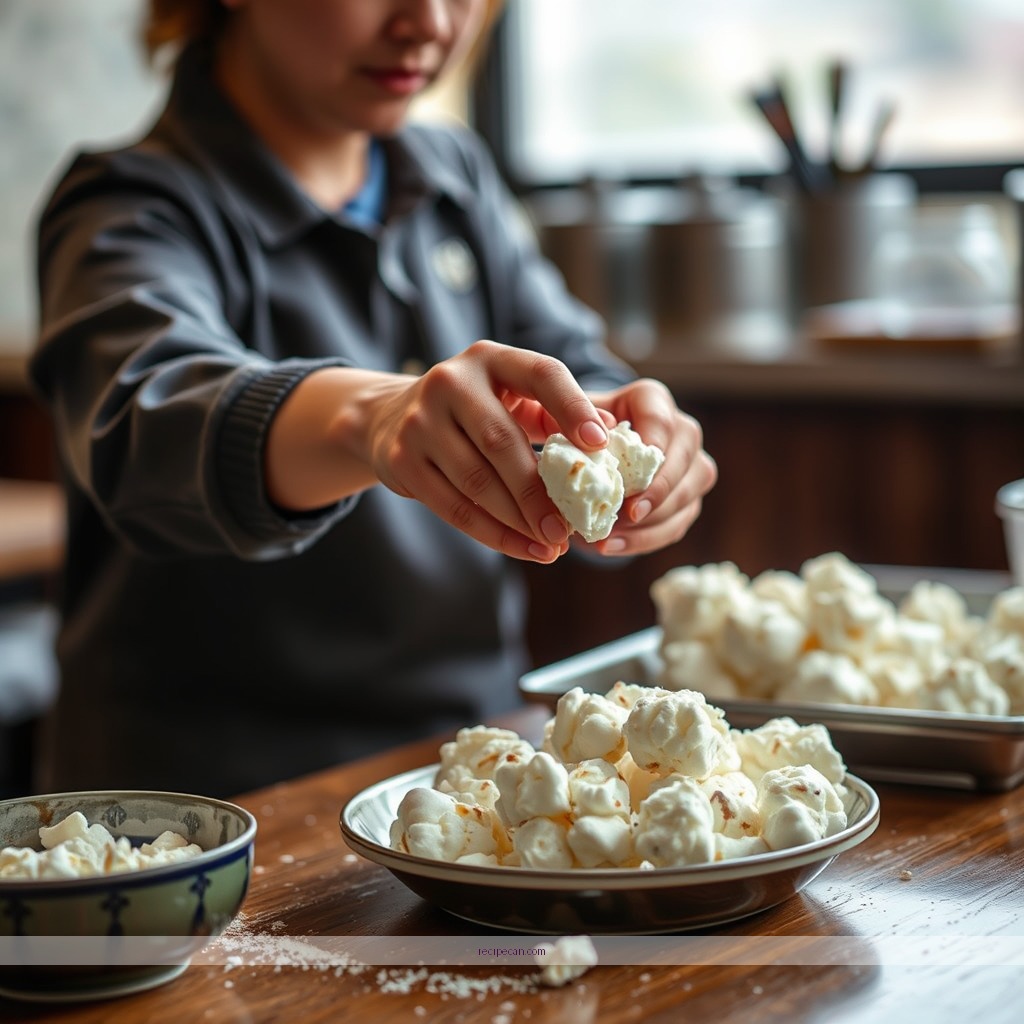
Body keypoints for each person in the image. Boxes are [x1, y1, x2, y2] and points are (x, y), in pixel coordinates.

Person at [29, 0, 716, 797]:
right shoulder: (126, 205)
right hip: (209, 809)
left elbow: (569, 365)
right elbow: (143, 424)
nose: (429, 22)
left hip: (475, 769)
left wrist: (627, 444)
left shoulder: (452, 174)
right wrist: (371, 419)